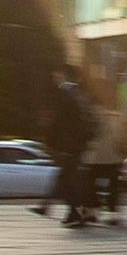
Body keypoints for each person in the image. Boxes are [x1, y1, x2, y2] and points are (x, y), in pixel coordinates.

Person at [35, 63, 93, 226]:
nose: (55, 78)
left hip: (68, 144)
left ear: (63, 75)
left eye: (57, 75)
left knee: (67, 179)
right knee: (67, 177)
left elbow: (59, 121)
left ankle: (75, 212)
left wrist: (51, 140)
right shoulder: (80, 94)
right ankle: (75, 212)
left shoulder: (65, 94)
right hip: (78, 143)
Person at [82, 73, 127, 226]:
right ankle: (113, 213)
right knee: (113, 185)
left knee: (91, 183)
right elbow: (121, 133)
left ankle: (93, 211)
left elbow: (87, 131)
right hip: (113, 155)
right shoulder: (117, 112)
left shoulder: (92, 111)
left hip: (94, 155)